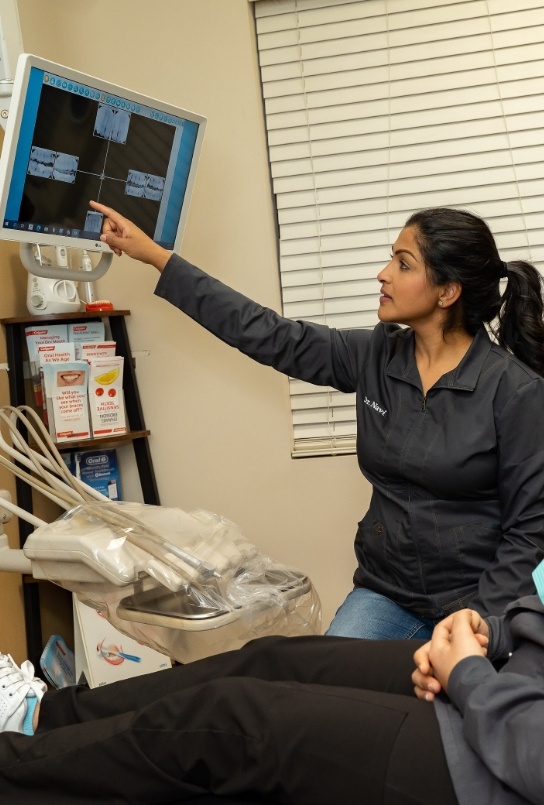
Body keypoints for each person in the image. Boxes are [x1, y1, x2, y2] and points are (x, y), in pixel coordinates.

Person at [88, 200, 544, 640]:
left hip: (479, 600)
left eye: (403, 265)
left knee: (460, 710)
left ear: (448, 291)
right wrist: (155, 256)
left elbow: (530, 530)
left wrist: (480, 622)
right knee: (334, 701)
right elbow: (267, 333)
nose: (383, 274)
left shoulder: (514, 391)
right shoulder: (376, 355)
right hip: (390, 594)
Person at [1, 586, 544, 804]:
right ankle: (41, 715)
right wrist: (492, 632)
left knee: (232, 720)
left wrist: (468, 675)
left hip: (507, 760)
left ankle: (14, 769)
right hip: (506, 674)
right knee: (274, 657)